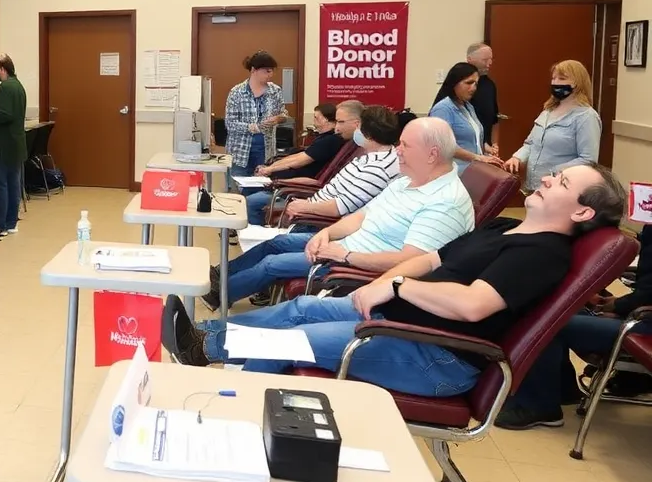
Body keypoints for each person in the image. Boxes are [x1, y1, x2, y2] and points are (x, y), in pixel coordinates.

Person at [166, 163, 626, 397]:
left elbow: (471, 306)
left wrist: (397, 288)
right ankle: (202, 340)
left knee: (294, 339)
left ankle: (227, 395)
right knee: (297, 308)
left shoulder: (542, 253)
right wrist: (383, 283)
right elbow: (429, 259)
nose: (546, 179)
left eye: (561, 183)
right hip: (397, 318)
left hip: (435, 355)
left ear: (582, 212)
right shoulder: (504, 228)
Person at [205, 117, 474, 309]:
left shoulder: (444, 200)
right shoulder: (405, 181)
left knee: (271, 264)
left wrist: (342, 254)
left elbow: (410, 261)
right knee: (277, 243)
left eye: (405, 146)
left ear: (432, 154)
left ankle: (219, 293)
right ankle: (221, 278)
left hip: (351, 260)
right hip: (343, 243)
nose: (398, 151)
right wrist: (326, 233)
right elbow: (361, 216)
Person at [496, 223, 652, 430]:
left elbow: (648, 293)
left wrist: (619, 306)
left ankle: (540, 407)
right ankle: (562, 389)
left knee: (550, 323)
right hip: (642, 314)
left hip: (645, 325)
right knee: (557, 309)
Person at [243, 101, 357, 225]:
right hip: (286, 186)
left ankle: (257, 235)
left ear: (324, 120)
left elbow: (299, 160)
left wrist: (270, 170)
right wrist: (270, 168)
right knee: (249, 191)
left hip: (295, 189)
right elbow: (297, 156)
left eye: (316, 117)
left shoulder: (330, 141)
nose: (337, 127)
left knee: (251, 201)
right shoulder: (324, 138)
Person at [284, 105, 401, 223]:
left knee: (272, 241)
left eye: (358, 127)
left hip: (318, 222)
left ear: (369, 134)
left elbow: (339, 208)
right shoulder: (367, 157)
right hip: (312, 208)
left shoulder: (377, 169)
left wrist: (305, 207)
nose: (356, 130)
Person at [502, 59, 602, 194]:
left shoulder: (586, 116)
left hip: (560, 189)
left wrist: (554, 171)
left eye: (562, 78)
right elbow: (531, 143)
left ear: (578, 83)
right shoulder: (548, 111)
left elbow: (588, 159)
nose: (555, 82)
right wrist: (517, 157)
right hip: (533, 186)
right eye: (554, 78)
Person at [429, 62, 505, 173]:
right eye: (469, 83)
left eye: (476, 84)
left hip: (473, 171)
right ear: (454, 83)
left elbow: (471, 138)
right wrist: (478, 157)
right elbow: (443, 145)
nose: (473, 88)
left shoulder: (468, 106)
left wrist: (487, 149)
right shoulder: (443, 109)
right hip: (454, 173)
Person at [225, 51, 287, 184]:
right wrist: (255, 127)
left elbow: (284, 114)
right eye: (267, 71)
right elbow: (230, 124)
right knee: (239, 186)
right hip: (240, 149)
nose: (270, 75)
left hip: (265, 148)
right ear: (254, 70)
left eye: (272, 71)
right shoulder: (237, 92)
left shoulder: (275, 91)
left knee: (261, 185)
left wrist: (278, 118)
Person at [0, 54, 27, 235]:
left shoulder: (5, 87)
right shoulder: (18, 86)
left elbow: (4, 115)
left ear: (2, 69)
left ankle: (1, 224)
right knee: (14, 184)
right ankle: (11, 223)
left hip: (3, 144)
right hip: (16, 144)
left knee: (0, 184)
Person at [466, 43, 501, 155]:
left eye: (491, 59)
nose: (489, 63)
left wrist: (495, 144)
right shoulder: (460, 84)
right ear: (470, 60)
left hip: (486, 149)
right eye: (485, 60)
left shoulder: (489, 85)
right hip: (466, 149)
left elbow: (495, 119)